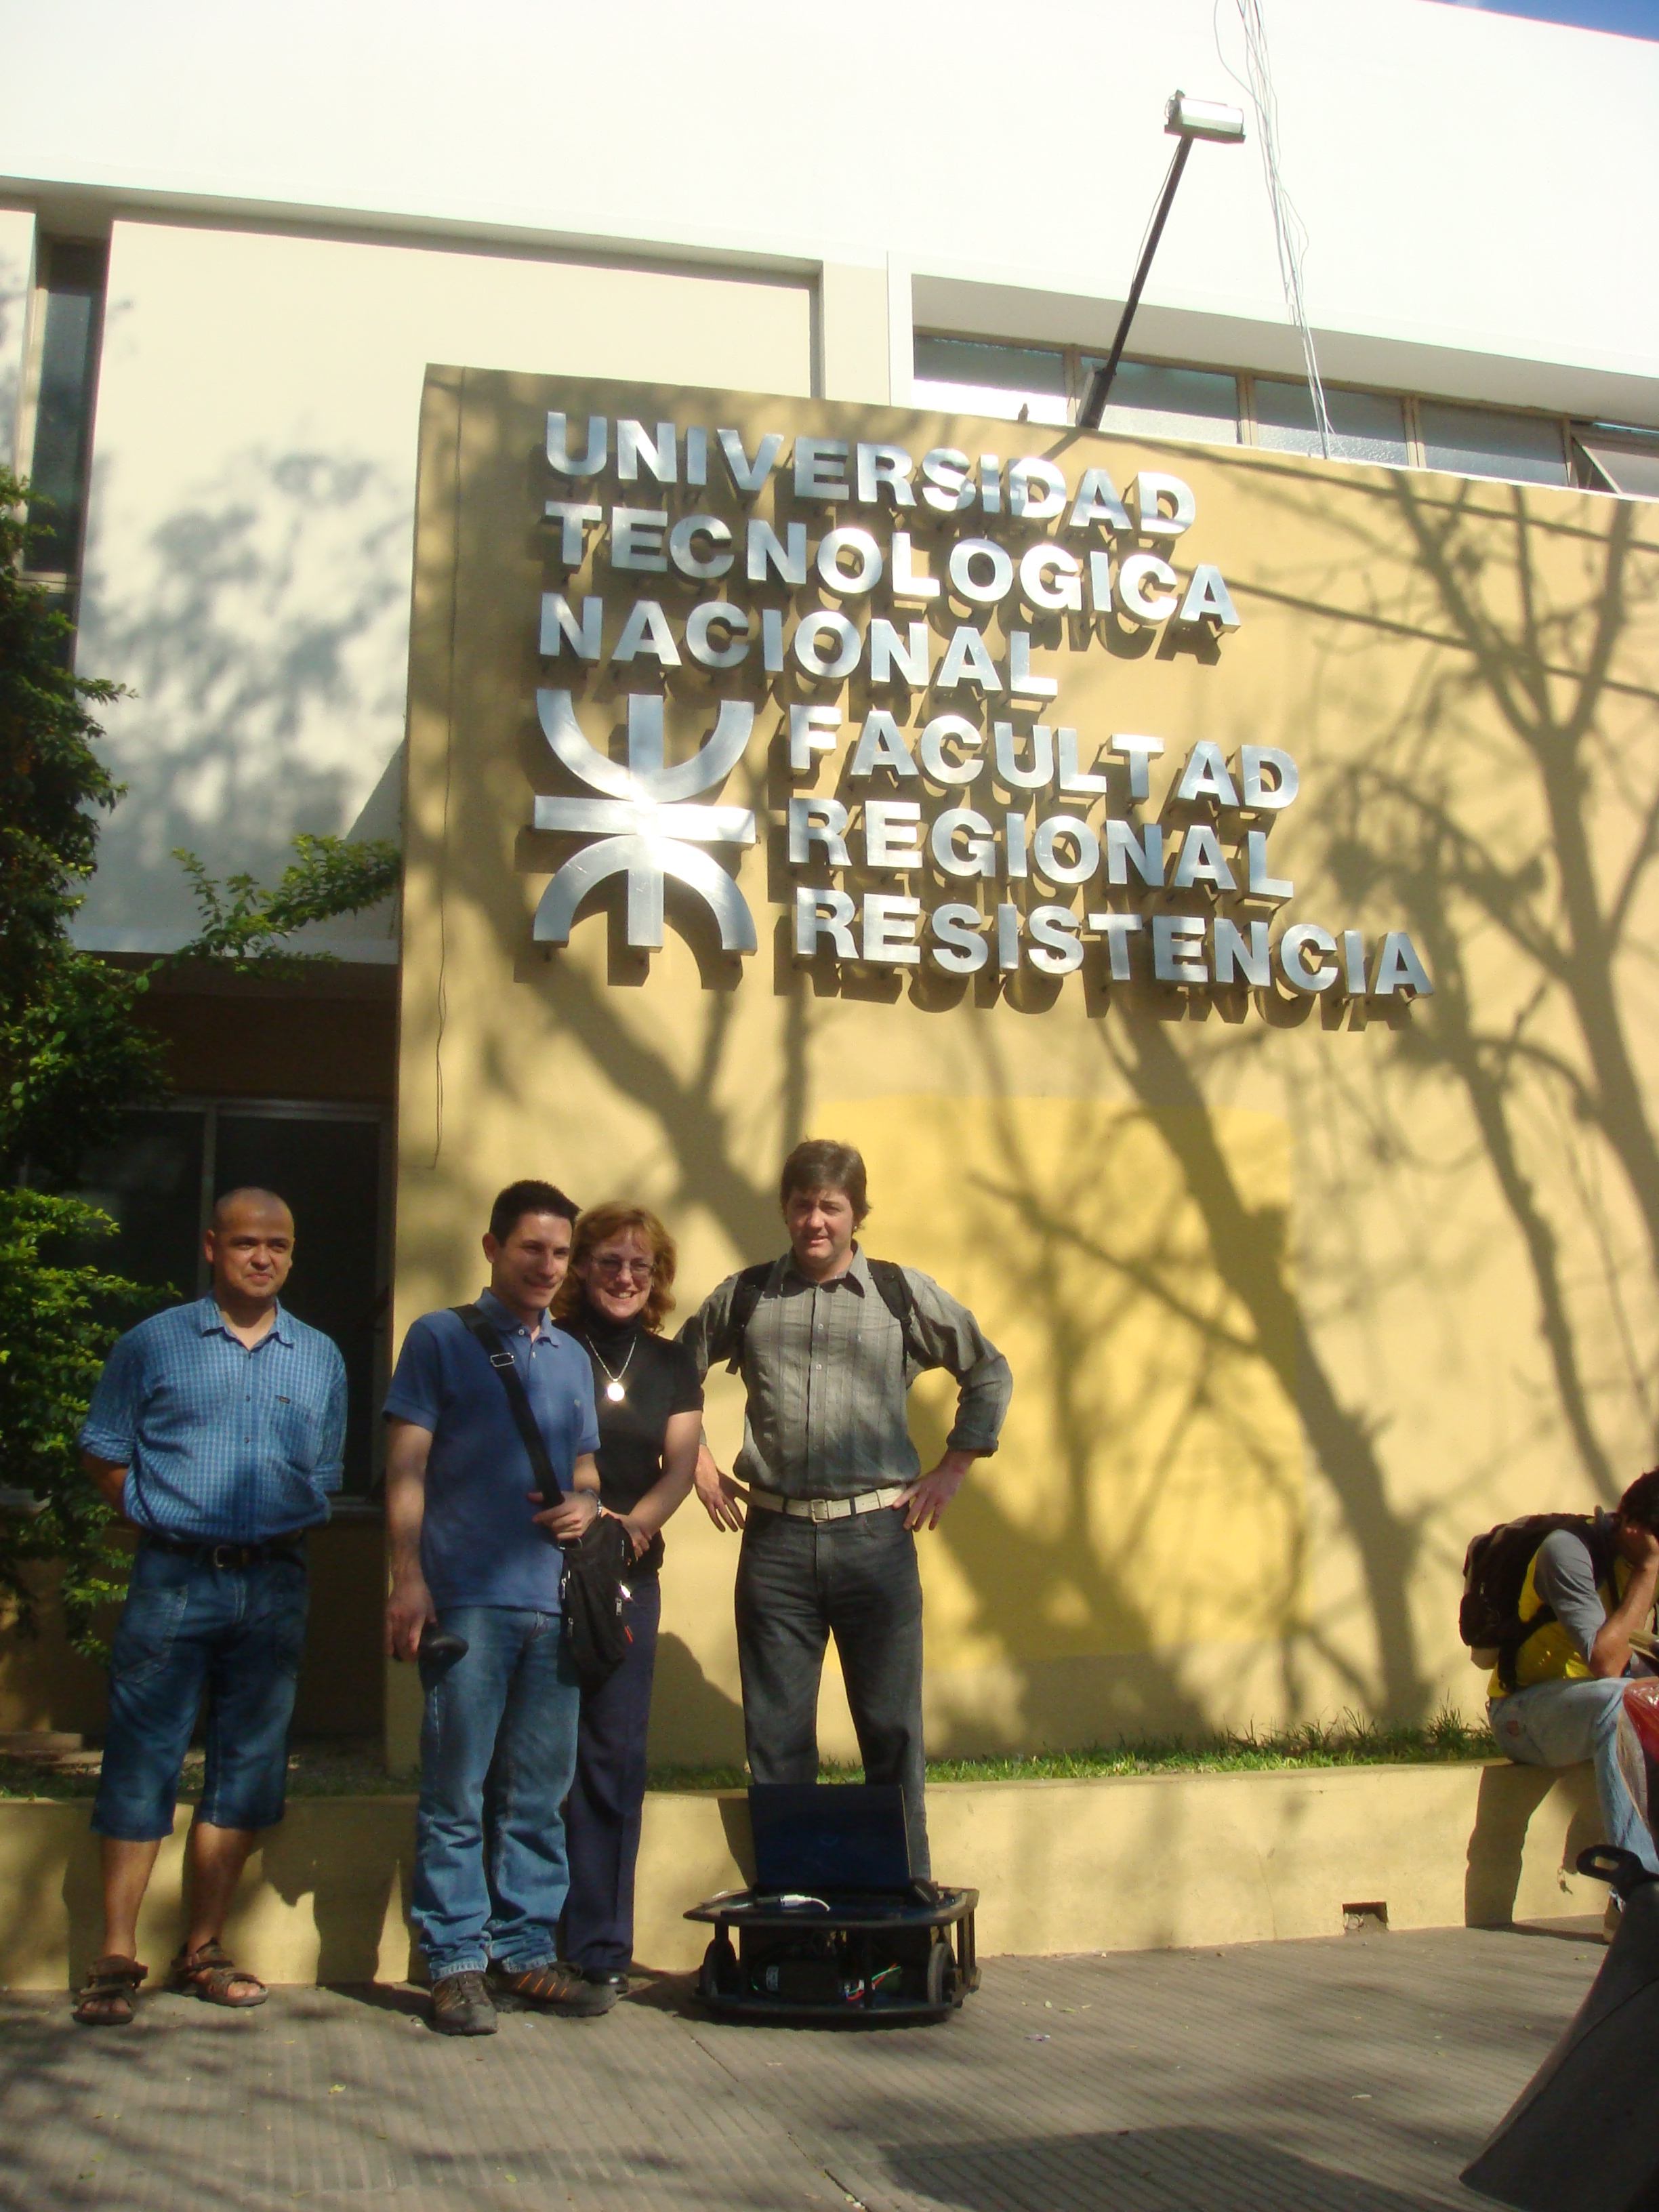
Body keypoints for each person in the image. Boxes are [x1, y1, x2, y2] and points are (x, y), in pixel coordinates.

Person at [679, 1138, 1011, 1877]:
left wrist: (954, 1468)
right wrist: (695, 1462)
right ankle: (791, 1906)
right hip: (775, 1547)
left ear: (857, 1213)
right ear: (785, 1210)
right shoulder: (748, 1297)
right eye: (803, 1205)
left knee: (891, 1732)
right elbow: (675, 1375)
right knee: (777, 1739)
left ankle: (903, 1896)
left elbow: (988, 1372)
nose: (816, 1221)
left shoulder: (900, 1294)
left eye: (831, 1207)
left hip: (876, 1542)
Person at [73, 1188, 346, 2027]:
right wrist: (155, 1514)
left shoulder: (321, 1357)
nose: (262, 1258)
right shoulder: (152, 1345)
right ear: (211, 1247)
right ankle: (115, 1956)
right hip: (174, 1579)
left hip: (274, 1583)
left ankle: (203, 1948)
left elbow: (325, 1472)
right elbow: (104, 1450)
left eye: (278, 1245)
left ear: (292, 1254)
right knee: (142, 1758)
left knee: (248, 1768)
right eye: (245, 1243)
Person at [383, 1178, 609, 2035]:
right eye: (531, 1249)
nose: (547, 1267)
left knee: (539, 1793)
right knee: (457, 1790)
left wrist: (588, 1504)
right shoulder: (439, 1338)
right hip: (467, 1600)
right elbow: (406, 1465)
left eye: (560, 1254)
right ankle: (454, 1962)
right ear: (493, 1248)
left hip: (553, 1604)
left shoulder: (573, 1356)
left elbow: (585, 1470)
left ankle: (524, 1952)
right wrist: (408, 1578)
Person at [551, 1202, 703, 1999]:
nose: (625, 1277)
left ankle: (601, 1946)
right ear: (581, 1267)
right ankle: (527, 1939)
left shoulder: (673, 1363)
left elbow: (680, 1464)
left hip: (627, 1580)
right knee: (538, 1759)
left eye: (641, 1265)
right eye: (609, 1261)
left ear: (658, 1277)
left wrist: (634, 1527)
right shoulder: (548, 1345)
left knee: (613, 1759)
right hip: (544, 1569)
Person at [1488, 1469, 1659, 1877]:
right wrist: (1648, 1570)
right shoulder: (1568, 1552)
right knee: (1623, 1700)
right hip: (1524, 1716)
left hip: (1603, 1715)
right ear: (1633, 1528)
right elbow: (1607, 1664)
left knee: (1628, 1701)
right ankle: (1640, 1888)